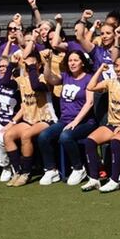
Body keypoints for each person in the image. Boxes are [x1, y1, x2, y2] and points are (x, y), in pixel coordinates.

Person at [82, 54, 120, 192]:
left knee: (115, 141)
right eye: (116, 66)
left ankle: (114, 180)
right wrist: (100, 70)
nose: (119, 69)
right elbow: (91, 87)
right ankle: (94, 179)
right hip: (112, 124)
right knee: (89, 142)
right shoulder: (111, 82)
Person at [2, 35, 57, 187]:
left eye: (31, 64)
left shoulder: (44, 78)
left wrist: (33, 66)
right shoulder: (23, 79)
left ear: (38, 64)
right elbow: (5, 83)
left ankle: (26, 172)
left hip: (45, 119)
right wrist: (12, 64)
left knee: (26, 135)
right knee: (8, 136)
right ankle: (17, 171)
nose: (26, 66)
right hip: (28, 118)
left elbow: (36, 86)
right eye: (25, 64)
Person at [36, 49, 95, 186]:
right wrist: (48, 62)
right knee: (43, 136)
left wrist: (76, 121)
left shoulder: (89, 78)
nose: (72, 63)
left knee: (65, 136)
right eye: (70, 60)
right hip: (65, 120)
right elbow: (49, 78)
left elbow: (89, 102)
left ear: (82, 63)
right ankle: (51, 170)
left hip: (85, 121)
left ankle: (78, 168)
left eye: (75, 60)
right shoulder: (66, 76)